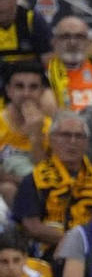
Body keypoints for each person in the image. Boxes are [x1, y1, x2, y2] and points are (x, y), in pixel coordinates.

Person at [13, 108, 92, 261]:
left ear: (86, 144)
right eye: (65, 135)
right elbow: (30, 226)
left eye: (79, 136)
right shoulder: (34, 179)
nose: (72, 141)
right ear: (51, 140)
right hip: (46, 254)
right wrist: (72, 239)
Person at [1, 62, 53, 199]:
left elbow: (47, 178)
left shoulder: (51, 127)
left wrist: (36, 136)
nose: (26, 94)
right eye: (19, 86)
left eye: (33, 87)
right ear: (8, 91)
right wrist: (21, 181)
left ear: (42, 91)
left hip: (38, 195)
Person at [45, 15, 92, 115]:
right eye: (65, 37)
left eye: (79, 37)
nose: (73, 42)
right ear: (54, 42)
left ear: (89, 42)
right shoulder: (46, 74)